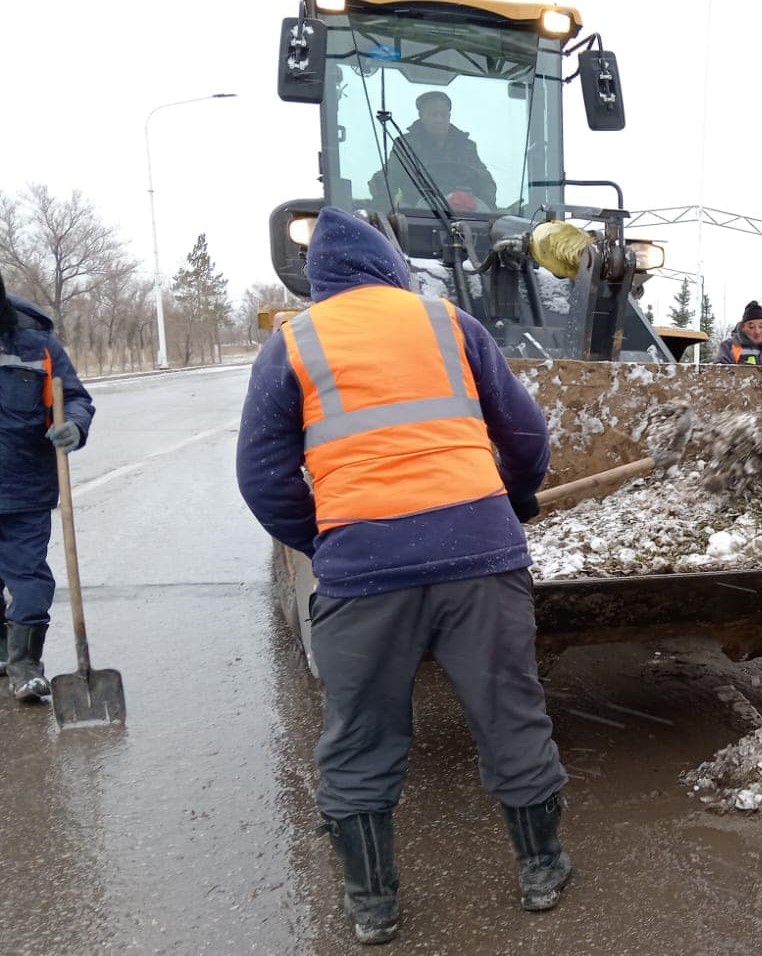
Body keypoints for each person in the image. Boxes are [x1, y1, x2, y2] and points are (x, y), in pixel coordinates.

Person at [236, 207, 569, 945]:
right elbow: (525, 433)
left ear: (318, 279)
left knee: (359, 738)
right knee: (510, 714)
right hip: (482, 559)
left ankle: (372, 906)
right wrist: (512, 496)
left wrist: (328, 541)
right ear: (390, 264)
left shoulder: (292, 344)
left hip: (364, 572)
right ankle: (542, 870)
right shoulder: (448, 321)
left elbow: (262, 478)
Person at [1, 275, 94, 703]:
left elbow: (74, 396)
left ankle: (25, 666)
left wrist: (73, 423)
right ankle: (4, 652)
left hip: (24, 487)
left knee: (28, 578)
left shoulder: (37, 347)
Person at [368, 91, 497, 212]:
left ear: (449, 117)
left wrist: (488, 212)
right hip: (420, 215)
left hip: (465, 213)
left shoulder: (466, 147)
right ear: (421, 117)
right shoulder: (406, 145)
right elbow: (388, 178)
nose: (439, 119)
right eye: (433, 115)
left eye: (443, 115)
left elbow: (485, 181)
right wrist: (387, 211)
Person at [715, 301, 762, 366]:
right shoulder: (729, 347)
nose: (757, 331)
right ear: (743, 327)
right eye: (751, 327)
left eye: (761, 326)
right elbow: (720, 377)